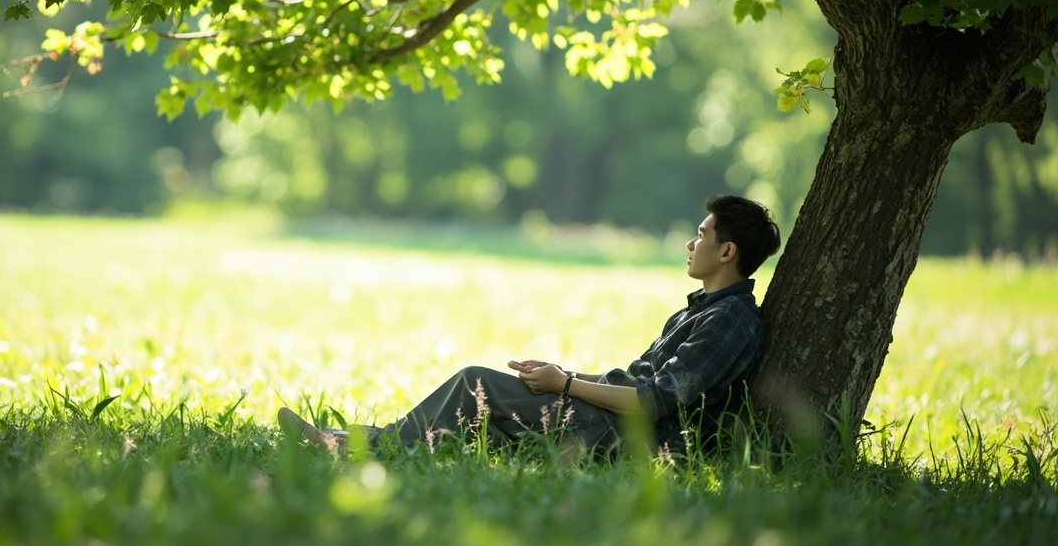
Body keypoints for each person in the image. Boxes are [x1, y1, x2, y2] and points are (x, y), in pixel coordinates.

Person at [278, 194, 781, 458]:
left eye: (701, 235)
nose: (691, 244)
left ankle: (348, 448)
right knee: (474, 415)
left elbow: (655, 401)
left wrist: (564, 385)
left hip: (633, 438)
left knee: (475, 382)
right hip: (611, 418)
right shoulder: (701, 309)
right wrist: (566, 377)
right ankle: (351, 442)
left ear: (727, 251)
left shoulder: (730, 320)